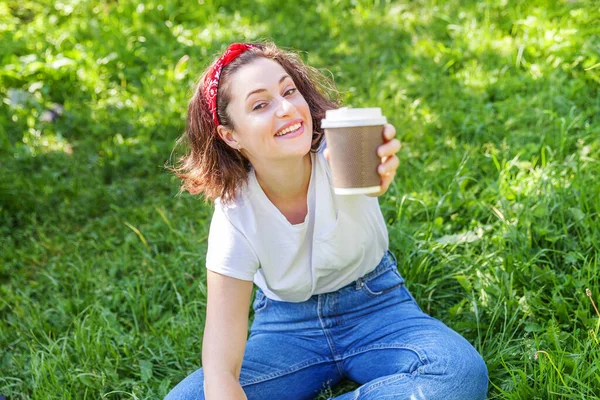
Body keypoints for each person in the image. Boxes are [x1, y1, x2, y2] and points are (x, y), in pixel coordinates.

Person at [165, 41, 488, 400]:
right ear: (231, 135)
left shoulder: (343, 151)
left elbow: (371, 181)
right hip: (287, 329)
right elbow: (220, 364)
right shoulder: (235, 210)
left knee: (457, 373)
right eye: (260, 104)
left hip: (376, 305)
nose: (286, 108)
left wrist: (378, 171)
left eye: (289, 91)